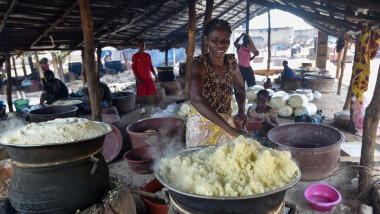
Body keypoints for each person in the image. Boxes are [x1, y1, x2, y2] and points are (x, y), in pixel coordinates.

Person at [187, 19, 249, 148]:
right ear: (206, 40)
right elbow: (196, 98)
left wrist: (242, 111)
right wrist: (229, 128)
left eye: (225, 40)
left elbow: (240, 88)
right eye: (215, 40)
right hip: (201, 122)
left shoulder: (232, 62)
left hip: (226, 121)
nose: (220, 44)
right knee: (200, 162)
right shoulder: (199, 64)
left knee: (226, 162)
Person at [132, 40, 159, 114]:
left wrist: (155, 75)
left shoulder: (148, 56)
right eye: (140, 45)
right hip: (140, 78)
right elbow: (134, 68)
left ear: (145, 46)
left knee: (154, 92)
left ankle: (157, 107)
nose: (142, 46)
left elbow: (151, 66)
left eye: (143, 45)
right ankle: (142, 109)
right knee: (140, 94)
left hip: (149, 77)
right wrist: (137, 79)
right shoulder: (135, 56)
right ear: (138, 46)